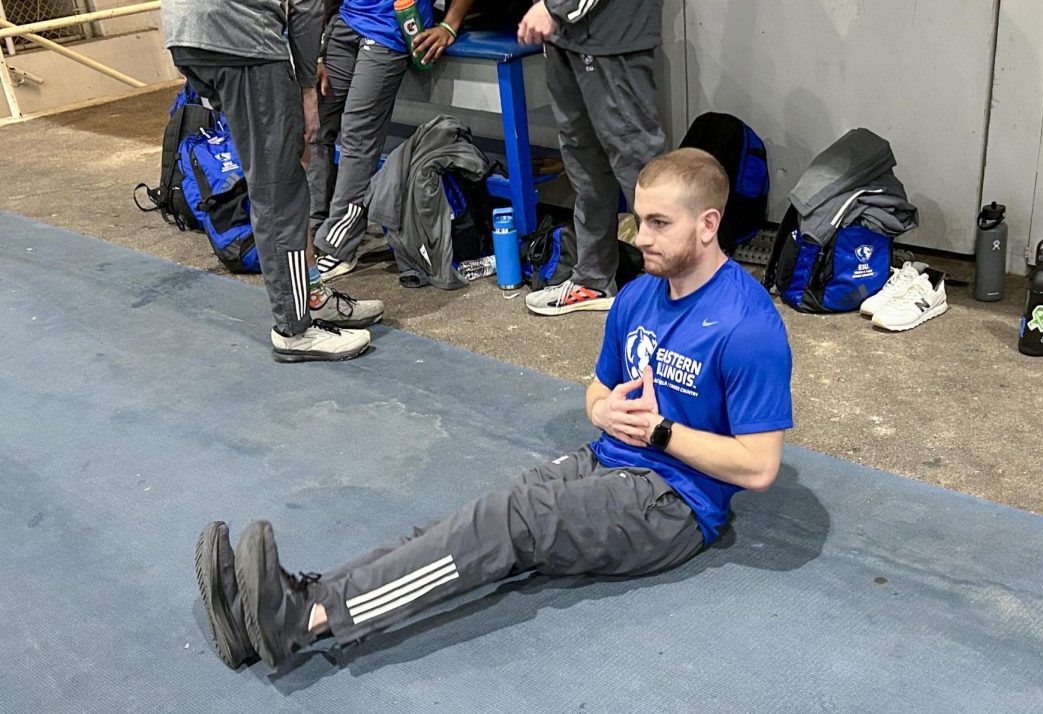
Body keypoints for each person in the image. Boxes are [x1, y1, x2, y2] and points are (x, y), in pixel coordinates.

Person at [193, 150, 794, 669]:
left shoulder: (747, 326)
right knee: (478, 518)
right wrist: (603, 411)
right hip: (610, 457)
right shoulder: (637, 295)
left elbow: (759, 467)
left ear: (708, 223)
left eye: (660, 224)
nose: (640, 238)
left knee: (514, 519)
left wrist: (660, 432)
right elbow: (596, 389)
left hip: (674, 504)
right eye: (640, 219)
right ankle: (281, 605)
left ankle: (303, 618)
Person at [161, 0, 386, 362]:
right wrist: (307, 86)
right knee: (280, 191)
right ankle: (294, 330)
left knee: (283, 167)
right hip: (242, 40)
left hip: (189, 32)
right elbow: (306, 5)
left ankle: (311, 295)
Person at [518, 0, 668, 316]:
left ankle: (677, 287)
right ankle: (593, 280)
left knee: (639, 163)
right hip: (564, 35)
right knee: (583, 160)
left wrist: (555, 6)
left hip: (609, 35)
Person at [309, 0, 476, 280]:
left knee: (357, 136)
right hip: (345, 21)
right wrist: (314, 51)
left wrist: (450, 24)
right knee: (313, 126)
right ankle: (311, 230)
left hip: (390, 28)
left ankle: (337, 246)